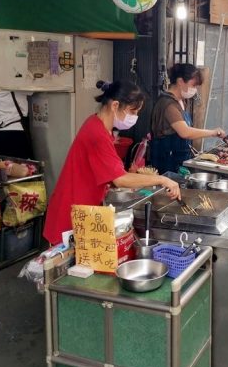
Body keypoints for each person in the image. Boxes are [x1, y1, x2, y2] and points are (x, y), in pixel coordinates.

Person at [43, 80, 181, 245]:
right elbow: (120, 178)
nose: (134, 117)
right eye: (132, 111)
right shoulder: (97, 134)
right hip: (70, 216)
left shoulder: (99, 125)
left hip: (80, 210)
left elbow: (109, 175)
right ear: (115, 105)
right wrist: (162, 179)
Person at [151, 63, 225, 174]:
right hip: (166, 162)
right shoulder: (168, 104)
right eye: (193, 85)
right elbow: (185, 132)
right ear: (180, 81)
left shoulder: (181, 101)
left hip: (180, 159)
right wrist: (213, 132)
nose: (195, 90)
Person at [0, 91, 33, 159]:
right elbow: (32, 90)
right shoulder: (14, 83)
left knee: (6, 166)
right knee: (22, 166)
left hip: (0, 130)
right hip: (15, 130)